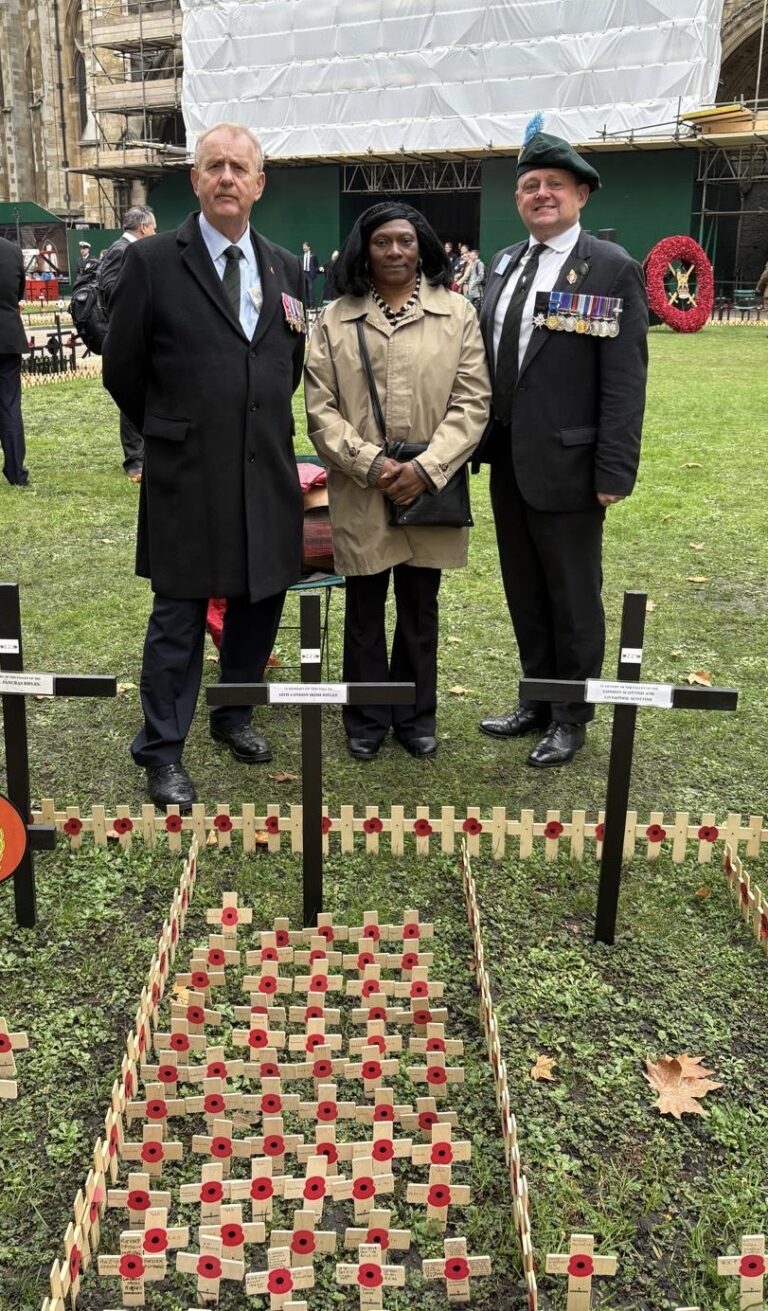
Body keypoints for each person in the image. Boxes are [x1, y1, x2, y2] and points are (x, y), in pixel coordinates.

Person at [102, 122, 305, 810]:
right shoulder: (154, 261)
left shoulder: (284, 265)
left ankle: (233, 714)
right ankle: (161, 749)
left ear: (258, 184)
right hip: (186, 470)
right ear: (195, 179)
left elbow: (287, 362)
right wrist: (174, 427)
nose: (225, 177)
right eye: (212, 165)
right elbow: (122, 367)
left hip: (267, 468)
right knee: (180, 612)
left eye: (238, 167)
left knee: (259, 599)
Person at [476, 129, 648, 766]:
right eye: (528, 186)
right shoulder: (503, 263)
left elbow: (624, 382)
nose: (539, 194)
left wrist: (614, 470)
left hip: (573, 469)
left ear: (580, 194)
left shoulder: (609, 268)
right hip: (509, 464)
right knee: (524, 588)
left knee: (573, 595)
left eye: (553, 184)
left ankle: (570, 717)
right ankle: (536, 697)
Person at [304, 201, 491, 761]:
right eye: (382, 241)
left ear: (423, 247)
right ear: (364, 248)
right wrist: (374, 466)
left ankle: (414, 714)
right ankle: (365, 716)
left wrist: (426, 470)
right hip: (362, 487)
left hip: (430, 490)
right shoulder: (334, 319)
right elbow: (321, 410)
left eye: (405, 241)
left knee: (419, 607)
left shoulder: (457, 315)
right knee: (363, 609)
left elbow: (473, 401)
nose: (394, 251)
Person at [99, 205, 157, 482]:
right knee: (130, 391)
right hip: (127, 333)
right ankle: (134, 459)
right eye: (153, 228)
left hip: (141, 331)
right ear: (144, 227)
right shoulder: (121, 250)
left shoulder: (132, 250)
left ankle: (143, 453)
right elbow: (109, 288)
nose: (155, 233)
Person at [0, 235, 28, 487]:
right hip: (8, 337)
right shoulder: (11, 250)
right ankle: (16, 471)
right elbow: (19, 291)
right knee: (9, 405)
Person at [302, 241, 320, 307]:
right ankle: (306, 304)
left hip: (310, 274)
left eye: (305, 246)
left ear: (309, 247)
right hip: (304, 273)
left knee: (310, 289)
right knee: (304, 289)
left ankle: (311, 304)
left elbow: (316, 265)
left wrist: (315, 271)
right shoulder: (302, 256)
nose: (303, 248)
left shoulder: (313, 256)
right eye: (303, 247)